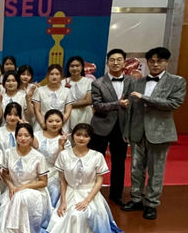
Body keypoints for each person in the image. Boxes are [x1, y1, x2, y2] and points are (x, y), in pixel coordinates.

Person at [122, 47, 186, 220]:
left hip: (160, 133)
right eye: (152, 61)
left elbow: (173, 104)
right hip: (137, 131)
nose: (156, 64)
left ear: (166, 62)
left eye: (160, 61)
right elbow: (131, 109)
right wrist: (127, 130)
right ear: (147, 62)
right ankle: (136, 198)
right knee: (136, 169)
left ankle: (151, 203)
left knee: (156, 170)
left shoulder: (176, 82)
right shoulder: (138, 82)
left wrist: (145, 98)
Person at [48, 124, 123, 233]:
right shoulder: (64, 155)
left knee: (78, 215)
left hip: (89, 194)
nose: (81, 138)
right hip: (70, 194)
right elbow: (62, 180)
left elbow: (99, 181)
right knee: (63, 217)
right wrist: (63, 201)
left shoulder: (97, 156)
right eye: (78, 135)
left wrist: (87, 201)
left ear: (90, 138)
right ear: (73, 136)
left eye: (86, 136)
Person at [89, 49, 133, 205]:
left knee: (119, 162)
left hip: (121, 127)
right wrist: (117, 104)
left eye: (119, 59)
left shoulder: (131, 82)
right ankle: (92, 193)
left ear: (124, 62)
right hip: (100, 127)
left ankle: (116, 195)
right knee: (95, 162)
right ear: (107, 62)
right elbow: (97, 105)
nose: (116, 63)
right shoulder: (98, 83)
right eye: (112, 60)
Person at [0, 123, 51, 233]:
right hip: (14, 188)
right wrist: (10, 186)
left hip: (34, 190)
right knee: (5, 207)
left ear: (32, 138)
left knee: (20, 197)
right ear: (16, 137)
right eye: (20, 135)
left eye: (26, 135)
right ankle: (15, 229)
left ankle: (21, 230)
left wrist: (24, 186)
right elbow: (4, 174)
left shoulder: (38, 156)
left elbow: (44, 182)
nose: (23, 138)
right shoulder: (8, 153)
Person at [33, 109, 71, 206]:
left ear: (62, 122)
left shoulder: (65, 140)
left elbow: (62, 163)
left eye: (57, 121)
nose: (54, 124)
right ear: (45, 122)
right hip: (36, 170)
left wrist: (61, 146)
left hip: (55, 172)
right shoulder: (35, 135)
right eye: (50, 121)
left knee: (54, 189)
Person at [32, 64, 73, 132]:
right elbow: (37, 110)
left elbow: (67, 112)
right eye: (51, 74)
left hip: (61, 126)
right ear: (47, 76)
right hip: (42, 125)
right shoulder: (39, 90)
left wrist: (59, 124)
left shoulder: (67, 91)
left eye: (57, 74)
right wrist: (43, 124)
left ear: (61, 76)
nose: (54, 77)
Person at [64, 56, 93, 129]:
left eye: (77, 66)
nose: (74, 68)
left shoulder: (89, 81)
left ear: (82, 67)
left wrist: (68, 104)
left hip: (85, 115)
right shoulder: (62, 82)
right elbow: (61, 101)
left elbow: (88, 101)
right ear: (68, 68)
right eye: (72, 66)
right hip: (68, 116)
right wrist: (82, 101)